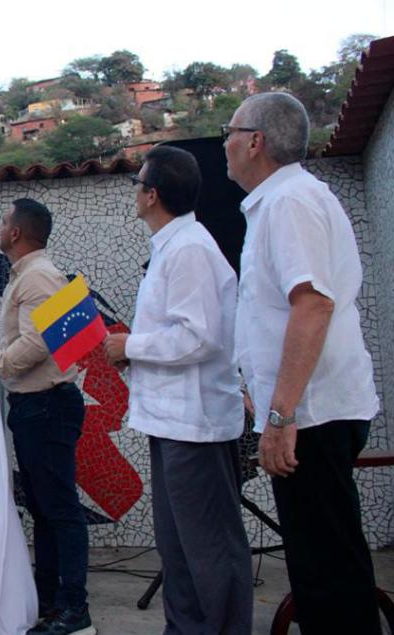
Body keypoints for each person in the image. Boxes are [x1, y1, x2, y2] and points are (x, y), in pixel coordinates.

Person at [224, 92, 381, 634]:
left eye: (229, 132)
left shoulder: (289, 202)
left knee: (329, 573)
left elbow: (312, 305)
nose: (224, 144)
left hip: (311, 416)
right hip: (305, 413)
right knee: (320, 566)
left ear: (255, 142)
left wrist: (282, 414)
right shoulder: (280, 201)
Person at [103, 146, 252, 634]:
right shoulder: (172, 246)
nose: (135, 194)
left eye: (137, 185)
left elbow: (197, 337)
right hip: (170, 422)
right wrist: (132, 353)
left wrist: (131, 345)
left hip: (195, 426)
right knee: (178, 548)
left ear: (152, 195)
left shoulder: (189, 249)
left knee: (209, 548)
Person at [0, 198, 95, 635]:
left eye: (4, 220)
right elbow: (22, 340)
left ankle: (74, 608)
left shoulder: (37, 276)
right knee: (43, 508)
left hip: (46, 405)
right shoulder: (28, 275)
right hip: (35, 406)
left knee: (60, 509)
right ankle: (49, 599)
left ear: (17, 232)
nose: (0, 226)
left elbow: (37, 345)